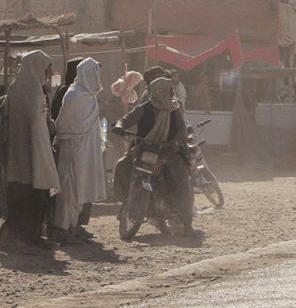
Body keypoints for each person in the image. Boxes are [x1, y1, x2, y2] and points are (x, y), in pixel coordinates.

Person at [112, 77, 196, 237]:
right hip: (145, 148)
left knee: (181, 180)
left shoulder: (174, 109)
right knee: (122, 165)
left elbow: (181, 130)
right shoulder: (144, 108)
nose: (168, 93)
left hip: (169, 151)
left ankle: (187, 224)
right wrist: (119, 126)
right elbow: (127, 119)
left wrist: (175, 142)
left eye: (168, 90)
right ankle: (127, 201)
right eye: (165, 90)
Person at [0, 50, 60, 254]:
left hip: (23, 154)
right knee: (29, 198)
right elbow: (36, 122)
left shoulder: (17, 88)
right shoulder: (31, 90)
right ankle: (23, 241)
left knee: (35, 197)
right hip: (29, 154)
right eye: (46, 70)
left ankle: (34, 238)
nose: (48, 74)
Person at [51, 58, 107, 245]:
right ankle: (62, 228)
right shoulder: (73, 95)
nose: (98, 78)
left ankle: (74, 226)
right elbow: (63, 124)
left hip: (87, 152)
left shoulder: (90, 96)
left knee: (80, 190)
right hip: (72, 151)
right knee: (68, 190)